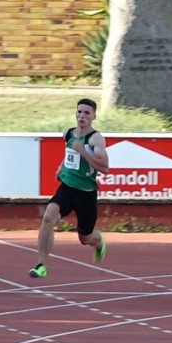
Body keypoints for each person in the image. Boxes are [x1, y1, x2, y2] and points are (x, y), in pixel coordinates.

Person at [29, 98, 109, 278]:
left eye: (86, 113)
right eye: (79, 112)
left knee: (85, 238)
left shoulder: (96, 139)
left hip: (86, 194)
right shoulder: (68, 133)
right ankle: (41, 266)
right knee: (49, 217)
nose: (82, 116)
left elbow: (104, 167)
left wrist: (82, 151)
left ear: (94, 116)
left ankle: (99, 242)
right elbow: (70, 153)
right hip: (67, 188)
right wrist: (61, 166)